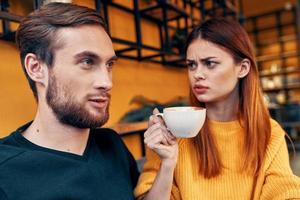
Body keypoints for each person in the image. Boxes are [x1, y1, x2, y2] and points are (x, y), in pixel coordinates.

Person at [134, 18, 300, 199]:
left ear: (242, 68)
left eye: (210, 63)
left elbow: (284, 192)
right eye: (191, 65)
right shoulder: (171, 132)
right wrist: (167, 162)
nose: (197, 74)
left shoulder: (269, 132)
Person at [0, 2, 139, 199]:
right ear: (36, 68)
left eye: (109, 64)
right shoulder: (5, 172)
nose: (107, 82)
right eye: (87, 62)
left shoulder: (112, 144)